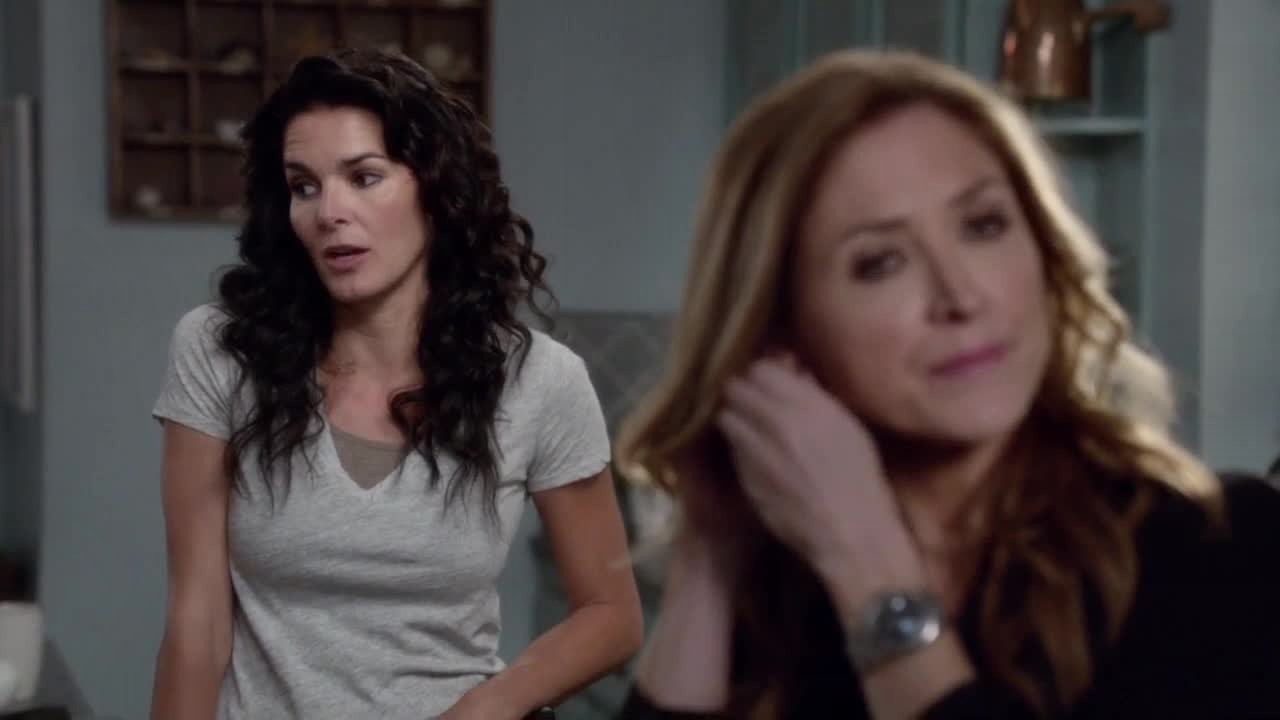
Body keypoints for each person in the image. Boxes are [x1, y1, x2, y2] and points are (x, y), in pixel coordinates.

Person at [612, 49, 1280, 719]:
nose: (961, 296)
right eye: (880, 262)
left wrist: (870, 570)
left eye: (984, 226)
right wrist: (711, 555)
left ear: (1043, 251)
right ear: (782, 330)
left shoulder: (1224, 550)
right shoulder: (780, 587)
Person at [149, 48, 642, 720]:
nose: (330, 211)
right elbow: (196, 622)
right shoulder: (220, 352)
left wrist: (486, 708)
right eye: (304, 186)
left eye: (364, 177)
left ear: (435, 191)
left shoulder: (541, 380)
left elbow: (611, 614)